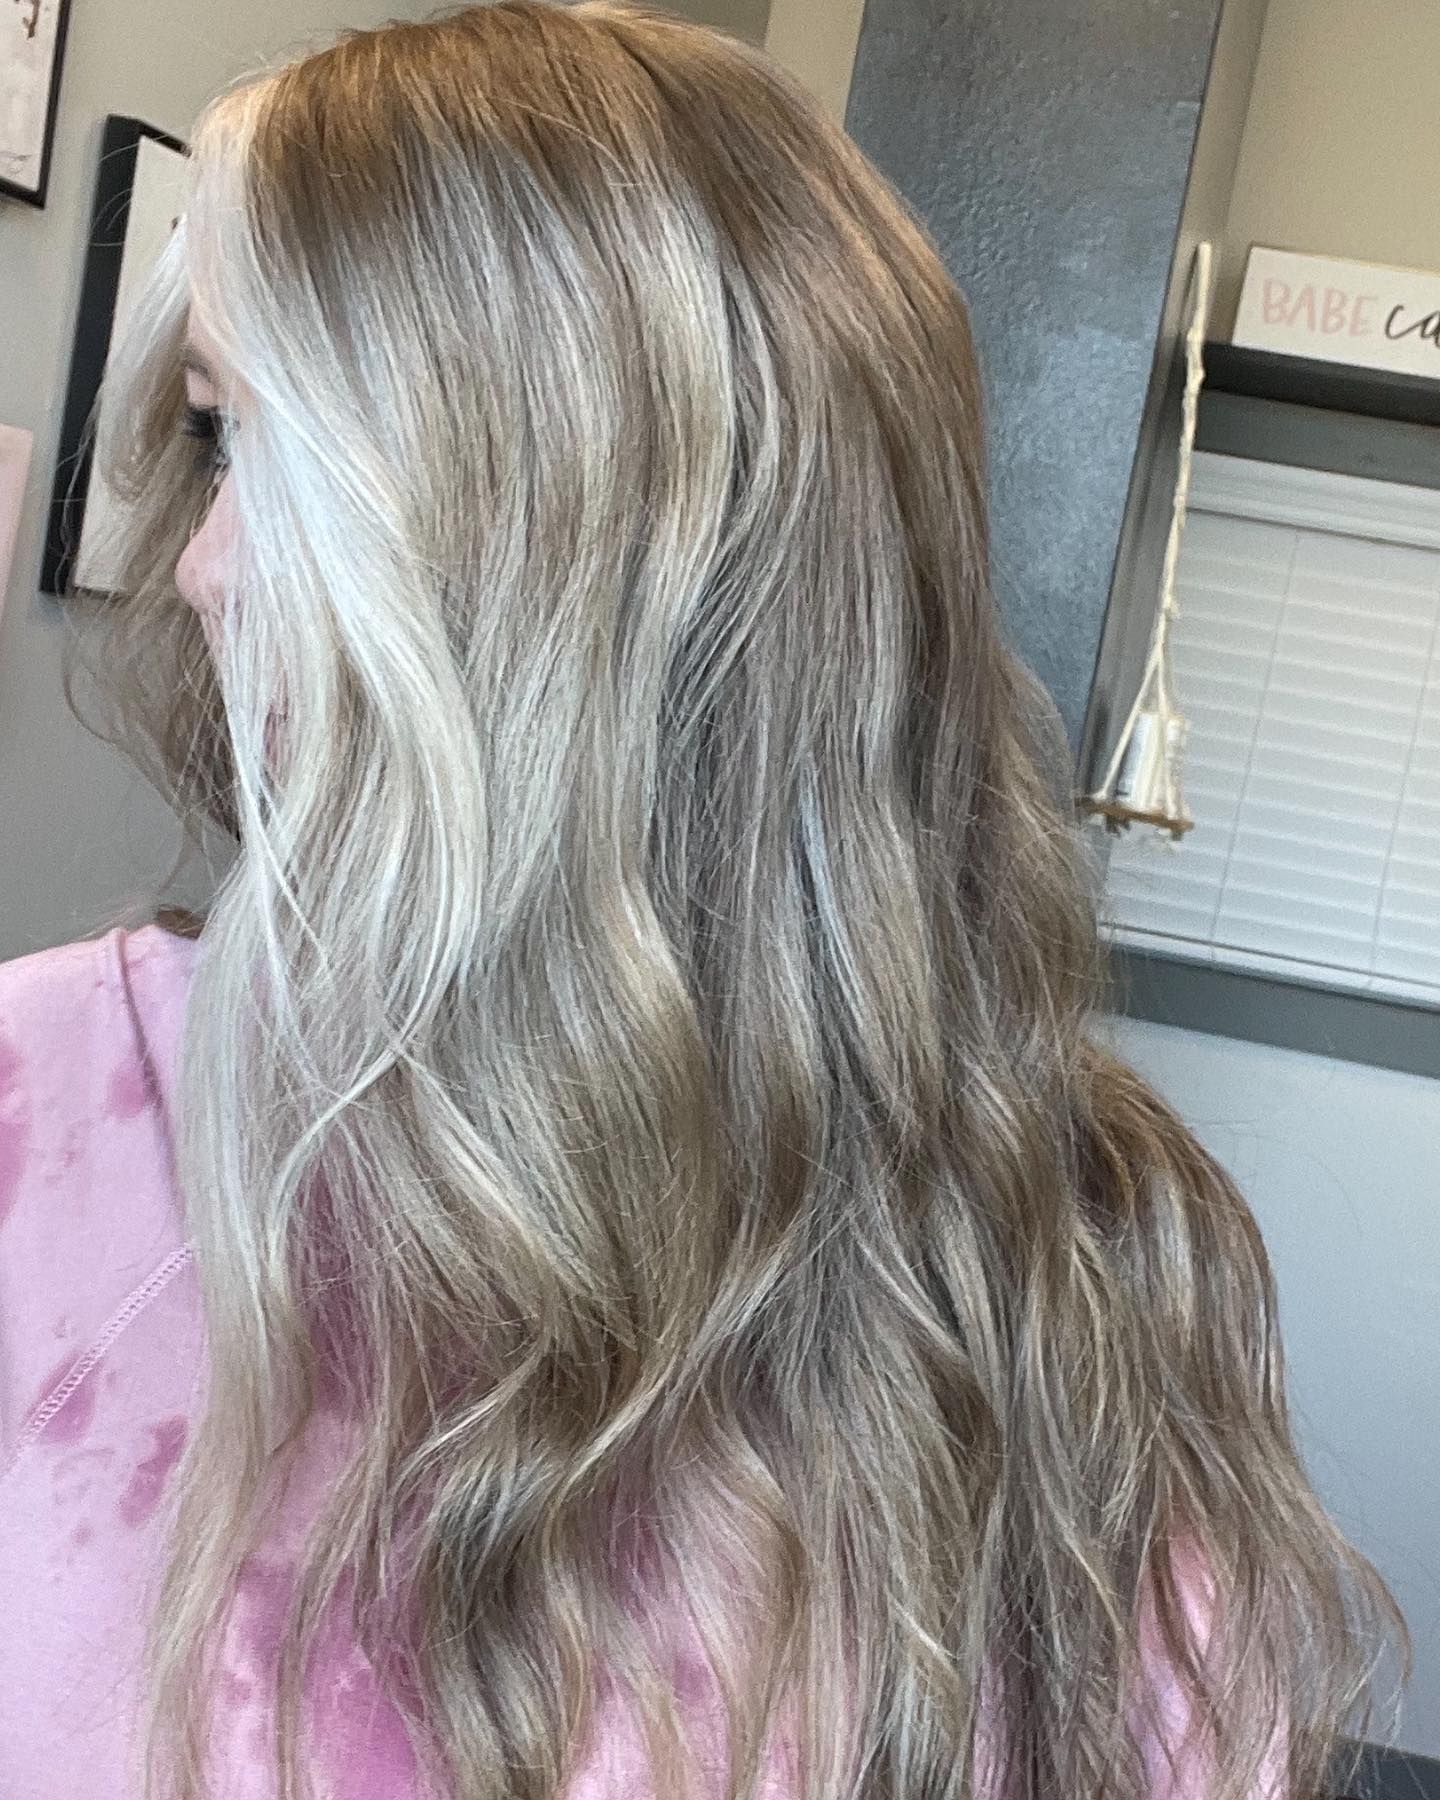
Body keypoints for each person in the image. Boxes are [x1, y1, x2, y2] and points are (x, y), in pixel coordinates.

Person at [0, 5, 1404, 1798]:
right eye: (212, 438)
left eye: (279, 454)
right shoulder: (49, 1111)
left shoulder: (1064, 1296)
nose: (200, 566)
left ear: (584, 569)